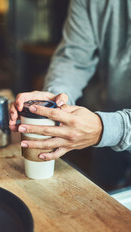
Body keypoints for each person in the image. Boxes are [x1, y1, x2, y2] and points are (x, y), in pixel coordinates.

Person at [9, 0, 131, 189]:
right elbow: (74, 57)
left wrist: (107, 128)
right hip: (106, 137)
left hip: (106, 128)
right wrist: (56, 99)